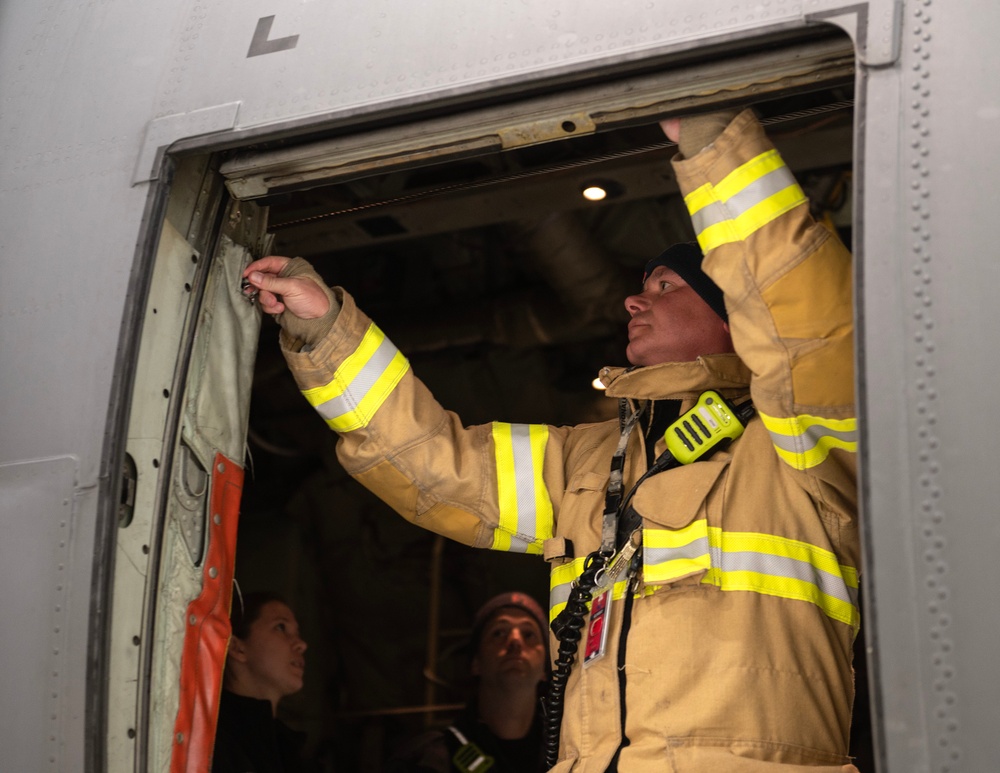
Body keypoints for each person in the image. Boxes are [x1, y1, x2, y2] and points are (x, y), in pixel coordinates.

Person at [243, 107, 859, 772]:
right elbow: (431, 460)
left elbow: (810, 325)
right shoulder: (591, 458)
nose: (632, 299)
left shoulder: (800, 444)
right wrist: (325, 328)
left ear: (732, 314)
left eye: (663, 284)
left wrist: (718, 152)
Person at [389, 592, 549, 772]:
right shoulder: (427, 760)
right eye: (498, 633)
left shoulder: (570, 755)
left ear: (545, 668)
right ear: (476, 663)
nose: (515, 641)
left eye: (529, 634)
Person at [212, 591, 310, 773]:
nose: (301, 644)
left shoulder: (289, 749)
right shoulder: (213, 741)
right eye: (281, 627)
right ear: (237, 648)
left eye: (297, 633)